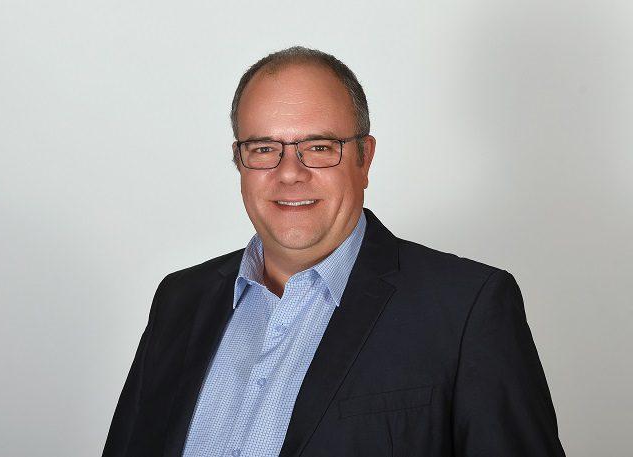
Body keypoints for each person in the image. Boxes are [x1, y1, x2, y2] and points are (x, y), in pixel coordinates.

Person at [102, 46, 566, 456]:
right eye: (263, 148)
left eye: (320, 147)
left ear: (365, 158)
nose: (290, 173)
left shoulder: (467, 310)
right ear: (239, 160)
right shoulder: (180, 300)